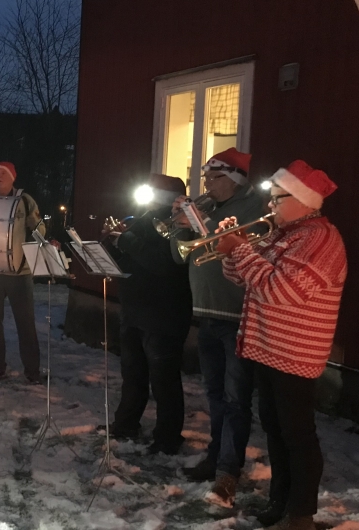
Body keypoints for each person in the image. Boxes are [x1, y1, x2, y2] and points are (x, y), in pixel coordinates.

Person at [215, 160, 347, 530]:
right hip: (267, 348)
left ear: (303, 201)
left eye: (277, 198)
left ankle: (301, 514)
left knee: (297, 436)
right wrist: (231, 250)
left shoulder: (320, 239)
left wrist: (241, 251)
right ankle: (280, 502)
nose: (270, 205)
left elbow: (281, 291)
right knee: (275, 431)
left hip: (294, 353)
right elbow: (244, 278)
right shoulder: (283, 234)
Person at [168, 148, 267, 506]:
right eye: (205, 177)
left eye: (214, 177)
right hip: (206, 313)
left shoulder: (254, 207)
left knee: (236, 397)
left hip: (237, 315)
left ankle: (228, 470)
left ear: (234, 179)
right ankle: (215, 456)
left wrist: (202, 224)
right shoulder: (207, 207)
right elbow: (180, 256)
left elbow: (236, 245)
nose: (207, 184)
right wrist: (180, 228)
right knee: (214, 393)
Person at [102, 173, 192, 455]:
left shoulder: (177, 222)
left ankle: (167, 437)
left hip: (164, 312)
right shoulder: (143, 219)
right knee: (133, 374)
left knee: (164, 380)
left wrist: (127, 240)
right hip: (134, 309)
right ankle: (126, 423)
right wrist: (112, 241)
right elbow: (127, 258)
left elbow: (165, 263)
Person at [0, 161, 45, 384]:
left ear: (12, 177)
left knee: (25, 323)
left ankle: (32, 371)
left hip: (19, 273)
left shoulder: (24, 201)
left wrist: (42, 242)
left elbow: (38, 228)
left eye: (3, 173)